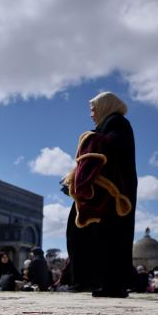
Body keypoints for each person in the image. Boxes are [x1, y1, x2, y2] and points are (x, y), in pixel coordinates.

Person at [63, 91, 138, 297]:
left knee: (111, 238)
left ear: (106, 106)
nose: (91, 114)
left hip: (113, 196)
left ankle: (112, 285)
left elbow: (112, 147)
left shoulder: (118, 123)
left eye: (94, 109)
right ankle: (89, 280)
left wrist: (92, 139)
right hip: (99, 192)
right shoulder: (108, 126)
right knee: (85, 234)